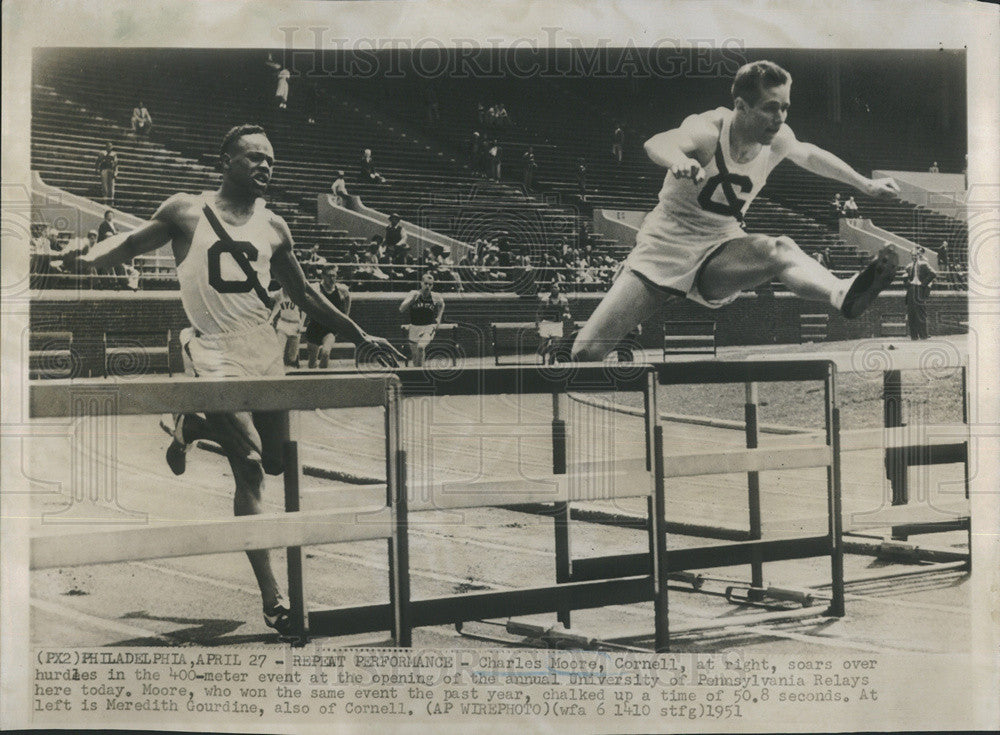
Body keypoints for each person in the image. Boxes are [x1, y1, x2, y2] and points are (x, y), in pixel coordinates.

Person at [61, 124, 402, 635]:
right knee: (249, 467)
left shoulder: (275, 226)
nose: (265, 166)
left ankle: (195, 424)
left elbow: (305, 294)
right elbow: (130, 243)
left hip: (264, 349)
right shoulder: (184, 211)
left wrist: (360, 334)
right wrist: (84, 257)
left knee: (280, 462)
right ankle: (274, 599)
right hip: (214, 351)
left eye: (271, 160)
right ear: (226, 160)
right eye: (254, 158)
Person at [572, 60, 901, 361]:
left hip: (719, 249)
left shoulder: (778, 138)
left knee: (779, 249)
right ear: (741, 107)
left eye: (785, 108)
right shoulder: (708, 130)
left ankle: (841, 292)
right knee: (586, 352)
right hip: (663, 249)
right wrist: (680, 159)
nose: (780, 119)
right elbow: (657, 142)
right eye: (770, 108)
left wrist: (865, 184)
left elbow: (809, 154)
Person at [304, 265, 351, 368]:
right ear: (323, 276)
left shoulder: (341, 290)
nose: (332, 279)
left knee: (325, 353)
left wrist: (346, 316)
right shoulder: (316, 288)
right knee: (312, 361)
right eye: (329, 276)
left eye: (334, 276)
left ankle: (323, 376)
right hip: (314, 327)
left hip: (330, 328)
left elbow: (348, 297)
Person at [400, 272, 444, 367]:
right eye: (426, 283)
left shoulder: (436, 296)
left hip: (429, 326)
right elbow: (401, 308)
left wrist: (439, 318)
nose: (427, 286)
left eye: (430, 284)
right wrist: (412, 300)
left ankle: (421, 373)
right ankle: (419, 372)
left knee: (421, 347)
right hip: (414, 327)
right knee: (416, 359)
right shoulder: (413, 294)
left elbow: (442, 304)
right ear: (421, 283)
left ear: (432, 285)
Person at [905, 246, 937, 340]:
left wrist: (923, 284)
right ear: (911, 256)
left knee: (920, 312)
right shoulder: (909, 266)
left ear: (919, 255)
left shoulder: (924, 264)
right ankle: (914, 336)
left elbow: (933, 274)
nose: (915, 257)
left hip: (919, 288)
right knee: (911, 313)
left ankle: (923, 335)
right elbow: (906, 277)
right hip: (911, 289)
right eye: (913, 255)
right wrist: (907, 283)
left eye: (916, 255)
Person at [535, 282, 571, 364]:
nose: (553, 289)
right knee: (542, 347)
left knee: (556, 345)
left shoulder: (564, 300)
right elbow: (539, 313)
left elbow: (567, 312)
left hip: (557, 324)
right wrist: (537, 326)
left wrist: (567, 315)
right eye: (552, 287)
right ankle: (544, 356)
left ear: (559, 289)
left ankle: (552, 359)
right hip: (546, 323)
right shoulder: (545, 300)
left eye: (555, 287)